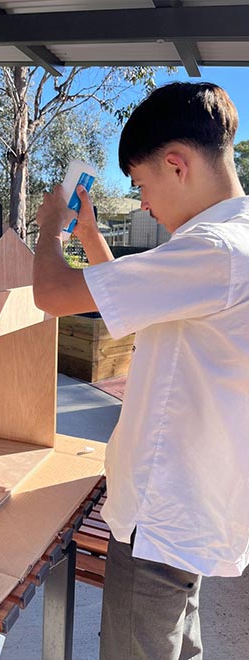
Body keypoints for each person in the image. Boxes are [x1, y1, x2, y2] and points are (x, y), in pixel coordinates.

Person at [31, 82, 248, 660]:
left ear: (176, 165)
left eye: (143, 185)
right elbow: (128, 308)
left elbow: (52, 294)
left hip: (163, 516)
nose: (145, 204)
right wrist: (89, 236)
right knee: (177, 642)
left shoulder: (215, 250)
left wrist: (51, 226)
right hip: (193, 508)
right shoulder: (229, 244)